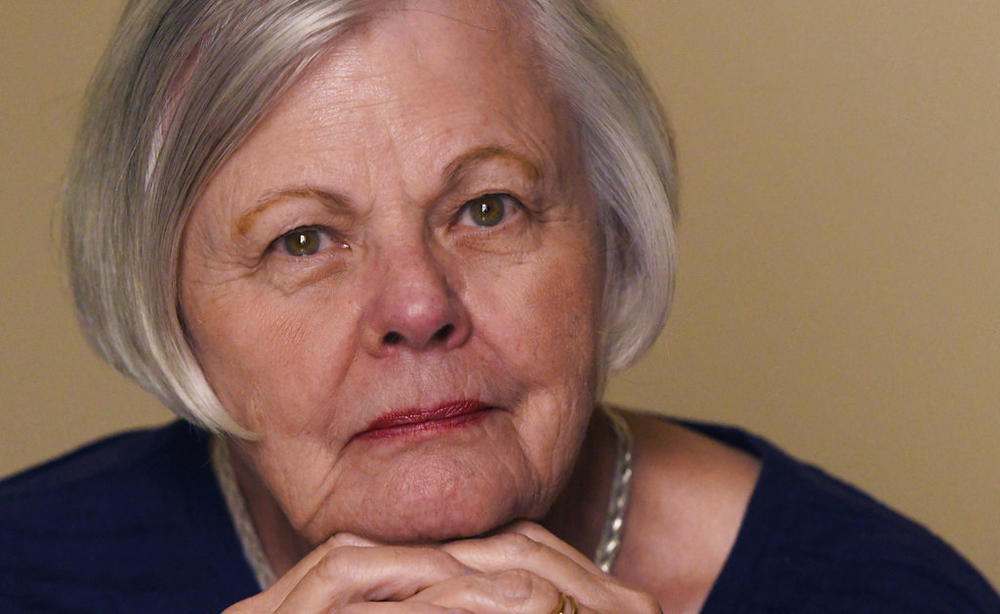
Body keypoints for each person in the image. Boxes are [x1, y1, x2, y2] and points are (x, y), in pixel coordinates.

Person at [1, 0, 997, 612]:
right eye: (301, 238)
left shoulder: (891, 595)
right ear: (164, 298)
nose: (417, 303)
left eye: (487, 207)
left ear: (608, 231)